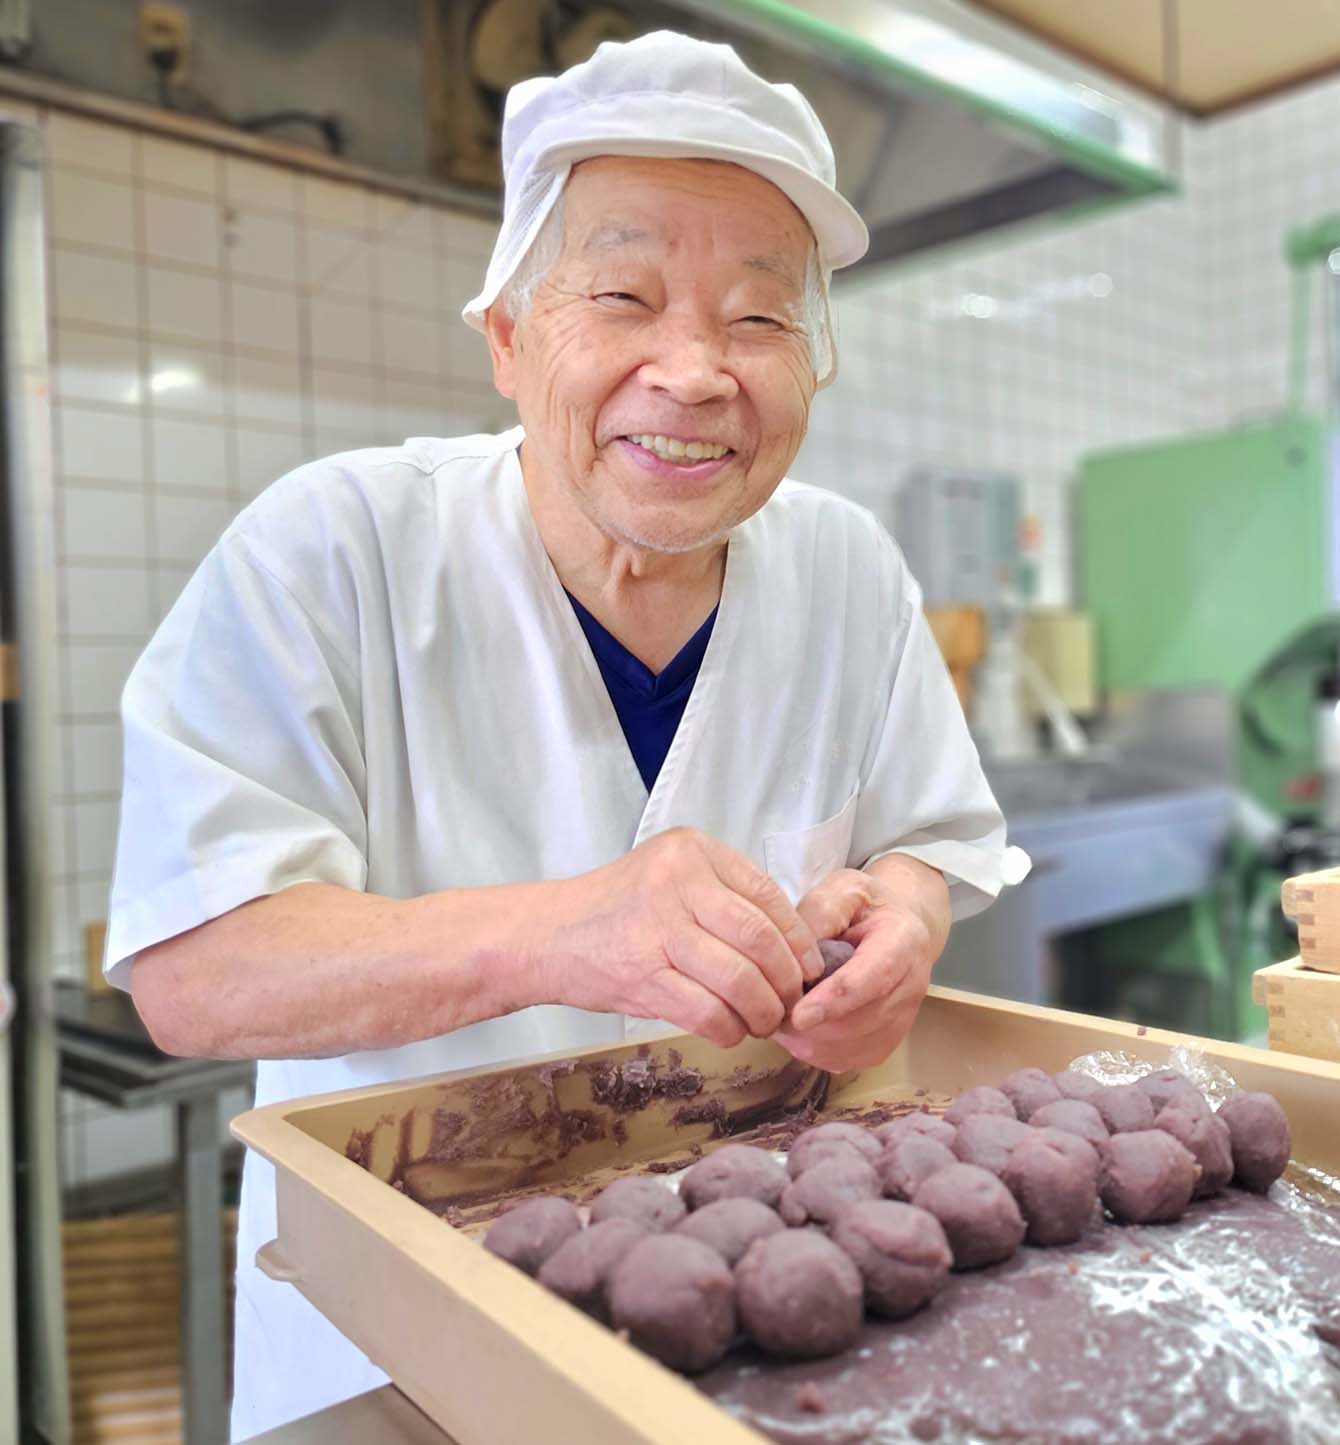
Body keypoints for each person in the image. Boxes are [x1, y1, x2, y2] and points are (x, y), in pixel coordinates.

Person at [104, 32, 1021, 1437]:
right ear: (512, 338)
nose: (698, 370)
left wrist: (899, 927)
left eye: (760, 319)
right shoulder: (334, 549)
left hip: (779, 1327)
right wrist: (555, 933)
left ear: (812, 366)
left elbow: (920, 842)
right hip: (395, 1343)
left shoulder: (846, 567)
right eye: (625, 296)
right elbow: (191, 967)